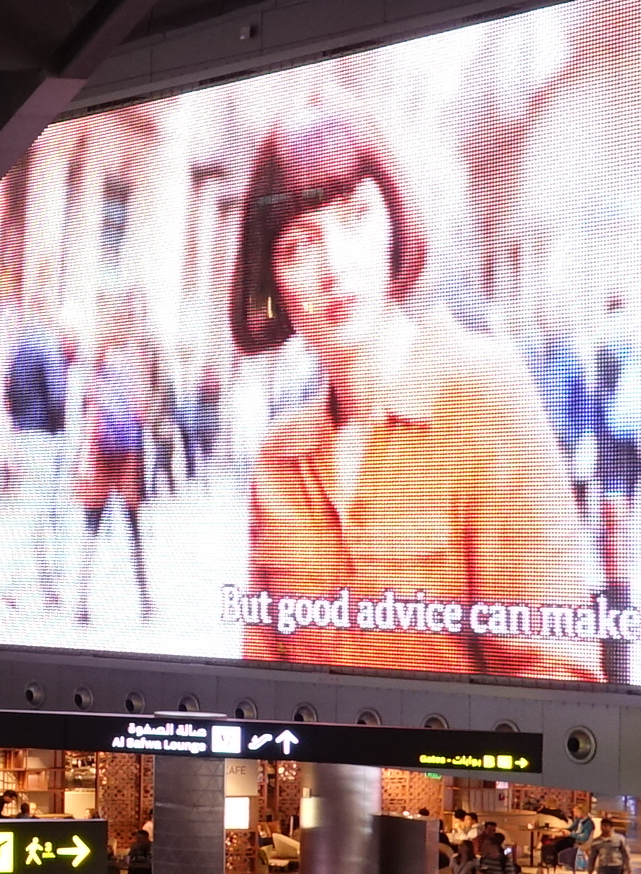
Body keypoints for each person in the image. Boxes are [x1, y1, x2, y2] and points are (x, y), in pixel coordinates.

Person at [228, 105, 602, 679]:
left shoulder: (485, 394)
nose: (333, 266)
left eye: (354, 217)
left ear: (395, 227)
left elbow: (555, 675)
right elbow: (260, 686)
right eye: (299, 244)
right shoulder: (279, 457)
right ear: (271, 282)